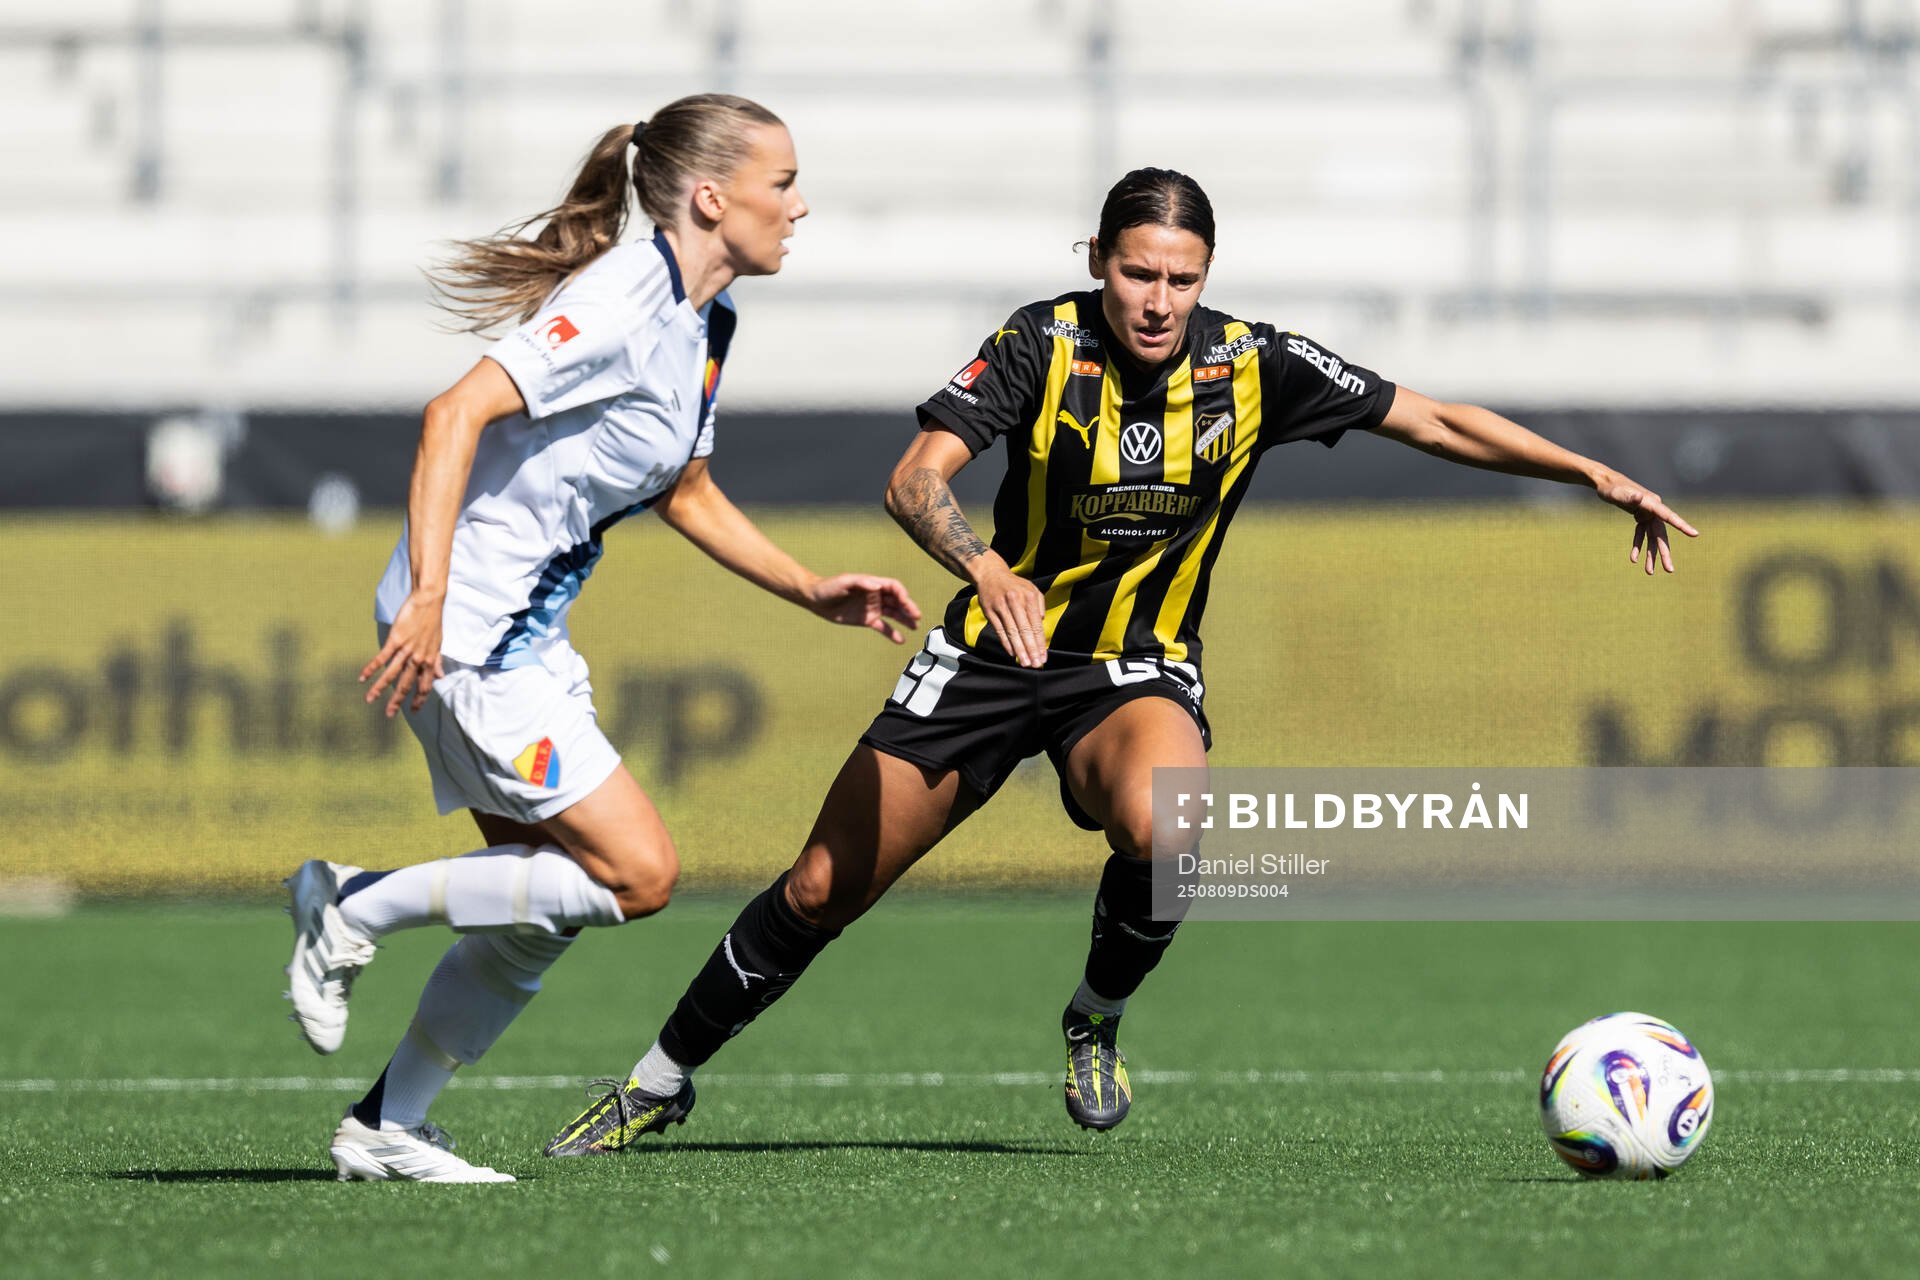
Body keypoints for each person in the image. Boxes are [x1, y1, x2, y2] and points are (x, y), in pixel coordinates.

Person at [542, 166, 1699, 1155]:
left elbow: (1437, 420)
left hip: (1130, 668)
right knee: (819, 888)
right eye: (1138, 272)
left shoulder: (1255, 364)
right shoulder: (1039, 344)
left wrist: (1593, 475)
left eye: (1181, 278)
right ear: (1097, 258)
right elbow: (913, 479)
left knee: (1172, 823)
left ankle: (1095, 1014)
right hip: (992, 651)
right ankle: (657, 1078)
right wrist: (984, 566)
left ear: (1207, 275)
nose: (1158, 301)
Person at [280, 93, 920, 1184]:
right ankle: (354, 900)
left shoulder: (709, 323)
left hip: (518, 632)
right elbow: (453, 414)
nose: (799, 205)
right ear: (712, 198)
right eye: (782, 183)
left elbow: (688, 490)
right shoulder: (627, 290)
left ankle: (389, 1121)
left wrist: (810, 587)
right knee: (636, 874)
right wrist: (433, 594)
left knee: (541, 900)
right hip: (471, 625)